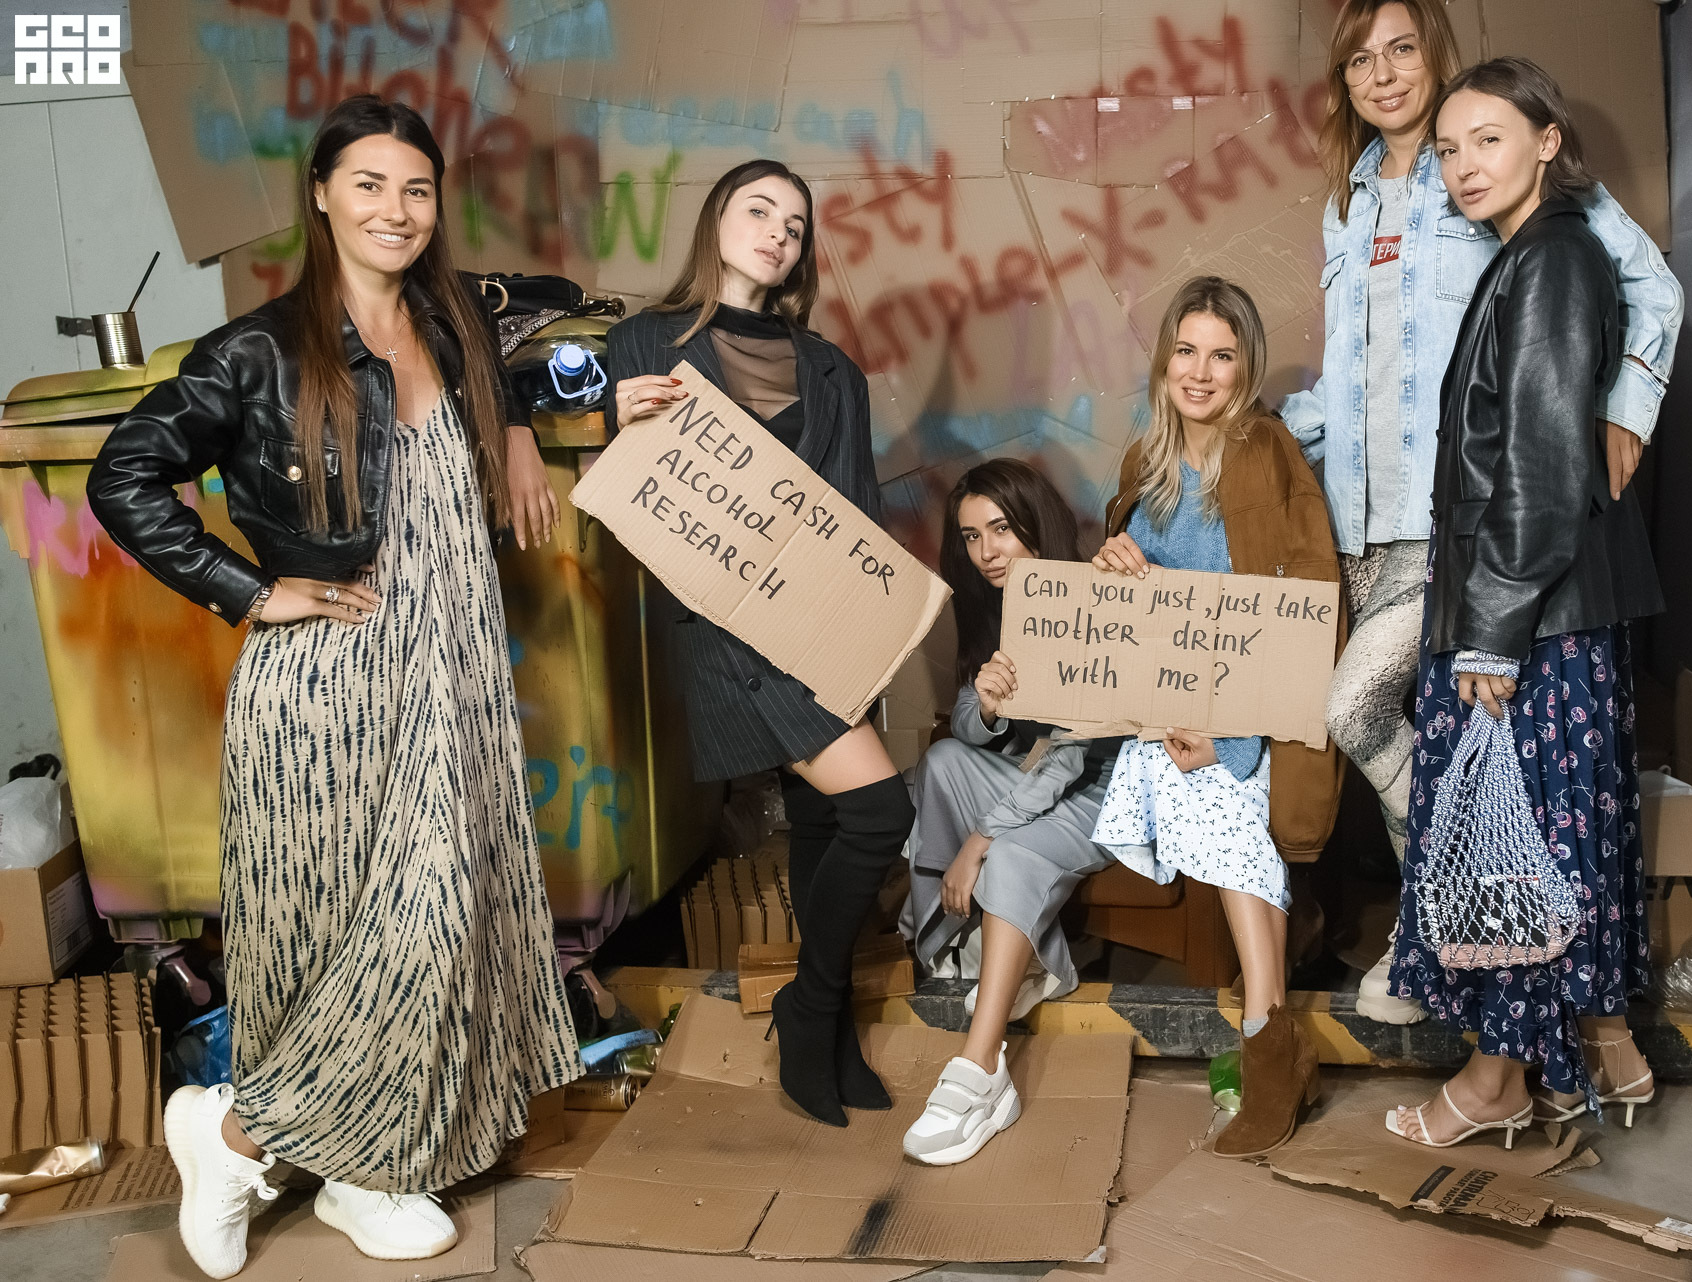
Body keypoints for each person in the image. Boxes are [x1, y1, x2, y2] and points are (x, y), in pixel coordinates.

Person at [86, 96, 576, 1277]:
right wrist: (253, 591)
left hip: (450, 672)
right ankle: (238, 1138)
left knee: (435, 917)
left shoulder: (453, 322)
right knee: (347, 929)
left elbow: (530, 327)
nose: (394, 210)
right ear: (320, 195)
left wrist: (516, 429)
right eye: (368, 184)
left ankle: (360, 1168)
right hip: (329, 684)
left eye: (416, 189)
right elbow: (123, 474)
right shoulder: (254, 351)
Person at [1283, 0, 1682, 1025]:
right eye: (1359, 60)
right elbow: (1348, 377)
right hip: (1358, 525)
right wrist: (1253, 434)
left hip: (1456, 528)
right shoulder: (1348, 202)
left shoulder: (1493, 166)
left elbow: (1652, 288)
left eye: (1400, 49)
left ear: (1436, 54)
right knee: (1438, 744)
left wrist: (1623, 408)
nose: (1382, 75)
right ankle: (1461, 944)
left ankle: (1437, 933)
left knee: (1355, 710)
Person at [1384, 58, 1663, 1148]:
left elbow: (1542, 471)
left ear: (1548, 141)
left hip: (1528, 621)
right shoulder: (1537, 255)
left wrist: (1490, 636)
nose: (1464, 165)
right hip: (1544, 612)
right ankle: (1604, 1053)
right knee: (1547, 840)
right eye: (1449, 149)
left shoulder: (1549, 260)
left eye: (1488, 139)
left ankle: (1498, 1082)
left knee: (1511, 847)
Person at [602, 159, 915, 1129]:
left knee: (826, 822)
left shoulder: (834, 372)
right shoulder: (643, 343)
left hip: (817, 622)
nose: (779, 230)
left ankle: (825, 1027)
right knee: (881, 810)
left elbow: (859, 518)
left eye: (795, 222)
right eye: (759, 209)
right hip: (722, 633)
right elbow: (608, 489)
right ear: (715, 221)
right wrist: (606, 419)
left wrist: (868, 646)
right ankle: (809, 1008)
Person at [1089, 277, 1342, 1159]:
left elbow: (1306, 598)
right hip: (1169, 712)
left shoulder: (1266, 450)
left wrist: (1235, 733)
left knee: (1220, 799)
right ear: (1164, 362)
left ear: (1246, 367)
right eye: (1186, 352)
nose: (1200, 373)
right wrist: (1113, 559)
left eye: (1222, 356)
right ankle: (1272, 1039)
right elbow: (1140, 608)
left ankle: (1266, 1035)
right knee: (1202, 796)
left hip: (1257, 712)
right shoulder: (1146, 461)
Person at [898, 459, 1121, 1165]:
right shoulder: (995, 602)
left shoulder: (1086, 597)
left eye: (1000, 529)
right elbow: (966, 720)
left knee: (1012, 853)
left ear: (1035, 524)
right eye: (971, 537)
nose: (986, 551)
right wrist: (990, 705)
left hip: (1098, 793)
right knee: (940, 761)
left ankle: (981, 1068)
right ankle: (966, 950)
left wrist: (981, 840)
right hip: (1034, 779)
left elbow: (1068, 757)